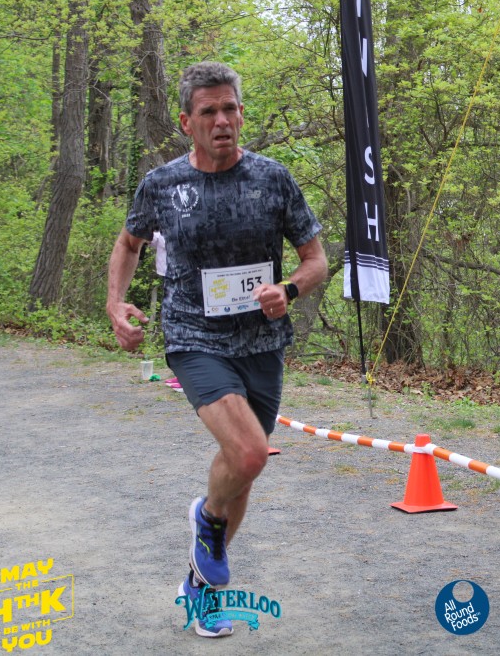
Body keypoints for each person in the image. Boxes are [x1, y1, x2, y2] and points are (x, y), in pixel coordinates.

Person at [106, 61, 327, 638]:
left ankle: (199, 591)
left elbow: (316, 260)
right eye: (209, 112)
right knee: (250, 454)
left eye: (230, 109)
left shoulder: (273, 179)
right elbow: (128, 244)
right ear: (187, 122)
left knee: (241, 469)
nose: (222, 121)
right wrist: (115, 302)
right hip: (193, 336)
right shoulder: (162, 185)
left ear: (242, 114)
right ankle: (206, 519)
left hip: (262, 342)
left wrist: (289, 289)